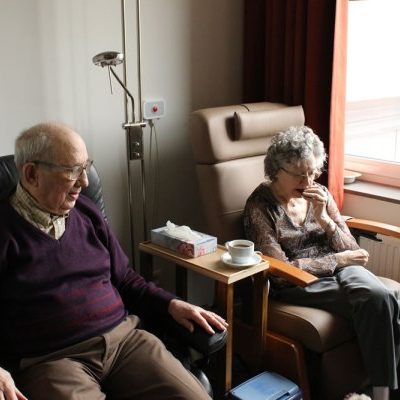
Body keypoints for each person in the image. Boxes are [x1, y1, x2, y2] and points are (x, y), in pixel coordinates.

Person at [0, 122, 227, 400]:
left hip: (126, 342)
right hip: (53, 362)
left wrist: (170, 304)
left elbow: (126, 279)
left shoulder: (87, 212)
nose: (84, 182)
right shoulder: (5, 232)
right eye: (72, 171)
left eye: (86, 167)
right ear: (32, 174)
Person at [243, 126, 399, 400]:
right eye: (300, 174)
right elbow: (281, 271)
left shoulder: (320, 194)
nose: (309, 180)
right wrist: (336, 259)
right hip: (299, 283)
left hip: (342, 269)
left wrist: (325, 220)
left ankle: (373, 393)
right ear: (277, 170)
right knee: (382, 298)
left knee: (386, 295)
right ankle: (383, 394)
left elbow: (353, 250)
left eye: (313, 172)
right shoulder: (260, 206)